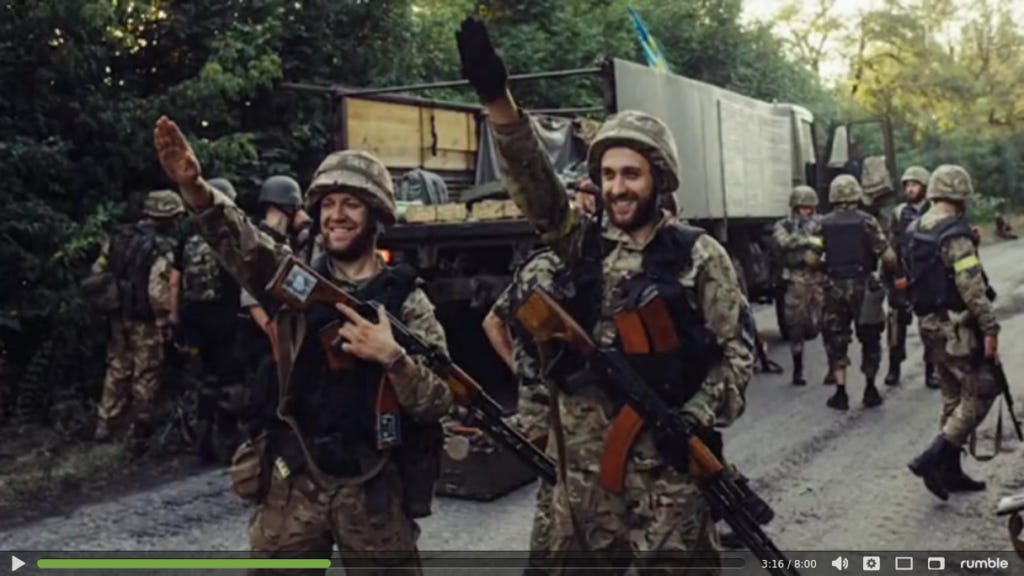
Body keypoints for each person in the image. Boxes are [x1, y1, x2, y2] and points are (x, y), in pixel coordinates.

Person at [456, 17, 753, 573]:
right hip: (584, 482)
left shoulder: (700, 256)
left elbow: (736, 354)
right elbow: (539, 191)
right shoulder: (579, 246)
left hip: (666, 478)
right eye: (609, 174)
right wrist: (498, 102)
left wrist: (692, 416)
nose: (618, 187)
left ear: (659, 179)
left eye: (632, 174)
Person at [154, 116, 453, 575]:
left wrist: (392, 357)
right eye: (328, 204)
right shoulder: (297, 283)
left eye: (351, 203)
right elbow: (244, 243)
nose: (337, 215)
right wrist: (195, 188)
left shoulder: (407, 302)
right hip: (296, 478)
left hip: (372, 485)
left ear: (376, 214)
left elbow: (441, 400)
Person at [907, 165, 998, 501]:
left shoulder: (916, 228)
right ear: (960, 196)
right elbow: (971, 287)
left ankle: (950, 471)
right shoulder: (955, 234)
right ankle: (933, 458)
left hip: (928, 323)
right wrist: (989, 327)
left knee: (952, 394)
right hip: (956, 326)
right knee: (982, 389)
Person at [482, 249, 561, 573]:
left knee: (553, 485)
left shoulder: (536, 267)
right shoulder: (549, 269)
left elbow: (492, 321)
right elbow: (493, 322)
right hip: (549, 400)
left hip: (539, 396)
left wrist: (519, 368)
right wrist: (520, 368)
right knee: (557, 486)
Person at [92, 190, 184, 444]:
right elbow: (157, 290)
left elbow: (99, 269)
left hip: (117, 313)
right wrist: (165, 318)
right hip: (145, 318)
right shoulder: (161, 247)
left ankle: (105, 423)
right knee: (146, 369)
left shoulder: (118, 236)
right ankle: (140, 426)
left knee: (118, 365)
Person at [819, 175, 897, 410]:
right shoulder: (867, 221)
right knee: (870, 337)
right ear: (856, 194)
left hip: (834, 288)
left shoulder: (822, 224)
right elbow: (888, 257)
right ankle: (870, 389)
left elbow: (811, 257)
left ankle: (840, 392)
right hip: (864, 286)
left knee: (836, 338)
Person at [179, 177, 243, 462]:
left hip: (193, 317)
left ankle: (202, 441)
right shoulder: (228, 238)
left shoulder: (189, 237)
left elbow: (175, 280)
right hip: (224, 317)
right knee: (230, 379)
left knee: (206, 380)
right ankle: (229, 442)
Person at [884, 166, 935, 388]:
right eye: (907, 185)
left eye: (914, 185)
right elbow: (891, 246)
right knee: (896, 324)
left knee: (931, 326)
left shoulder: (935, 211)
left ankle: (931, 370)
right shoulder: (899, 213)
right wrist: (896, 274)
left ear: (925, 187)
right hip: (902, 275)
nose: (910, 189)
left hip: (927, 277)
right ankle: (894, 368)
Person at [771, 186, 826, 386]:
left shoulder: (821, 222)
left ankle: (833, 366)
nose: (806, 211)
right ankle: (798, 369)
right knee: (795, 324)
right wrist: (810, 240)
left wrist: (809, 242)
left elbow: (826, 241)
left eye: (809, 208)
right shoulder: (784, 225)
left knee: (826, 322)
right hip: (795, 278)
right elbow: (783, 242)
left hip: (818, 277)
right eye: (802, 208)